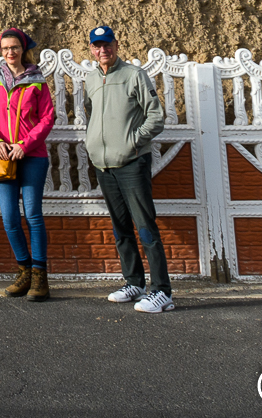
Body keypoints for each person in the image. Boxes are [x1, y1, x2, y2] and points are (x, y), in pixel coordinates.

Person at [86, 25, 174, 313]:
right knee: (121, 228)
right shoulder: (91, 79)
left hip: (132, 163)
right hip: (104, 165)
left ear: (116, 45)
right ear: (91, 49)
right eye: (97, 46)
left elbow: (155, 117)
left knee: (145, 226)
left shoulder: (134, 75)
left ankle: (162, 292)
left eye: (107, 44)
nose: (103, 50)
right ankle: (134, 282)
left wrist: (132, 143)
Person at [0, 26, 56, 301]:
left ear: (23, 49)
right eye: (5, 48)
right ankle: (23, 270)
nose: (10, 52)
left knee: (33, 215)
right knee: (10, 218)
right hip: (2, 157)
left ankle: (40, 277)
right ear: (1, 51)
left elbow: (47, 118)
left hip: (32, 155)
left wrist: (25, 144)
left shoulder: (37, 80)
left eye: (15, 47)